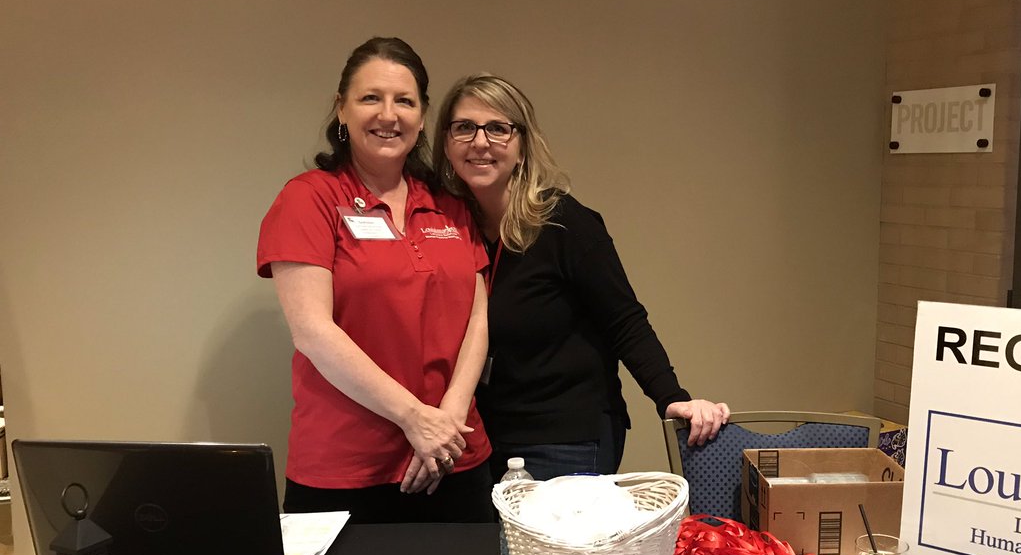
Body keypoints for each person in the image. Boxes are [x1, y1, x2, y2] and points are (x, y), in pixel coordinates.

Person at [431, 74, 730, 482]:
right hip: (481, 438)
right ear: (446, 142)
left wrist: (672, 398)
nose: (480, 142)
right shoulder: (444, 229)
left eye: (498, 128)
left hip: (565, 438)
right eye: (465, 127)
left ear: (522, 146)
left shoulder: (564, 223)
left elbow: (624, 320)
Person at [258, 38, 492, 523]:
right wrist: (415, 419)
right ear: (341, 109)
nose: (389, 114)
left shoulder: (450, 204)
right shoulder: (309, 199)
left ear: (422, 117)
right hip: (347, 468)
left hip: (455, 454)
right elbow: (313, 332)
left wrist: (447, 421)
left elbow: (477, 318)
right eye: (370, 98)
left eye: (404, 100)